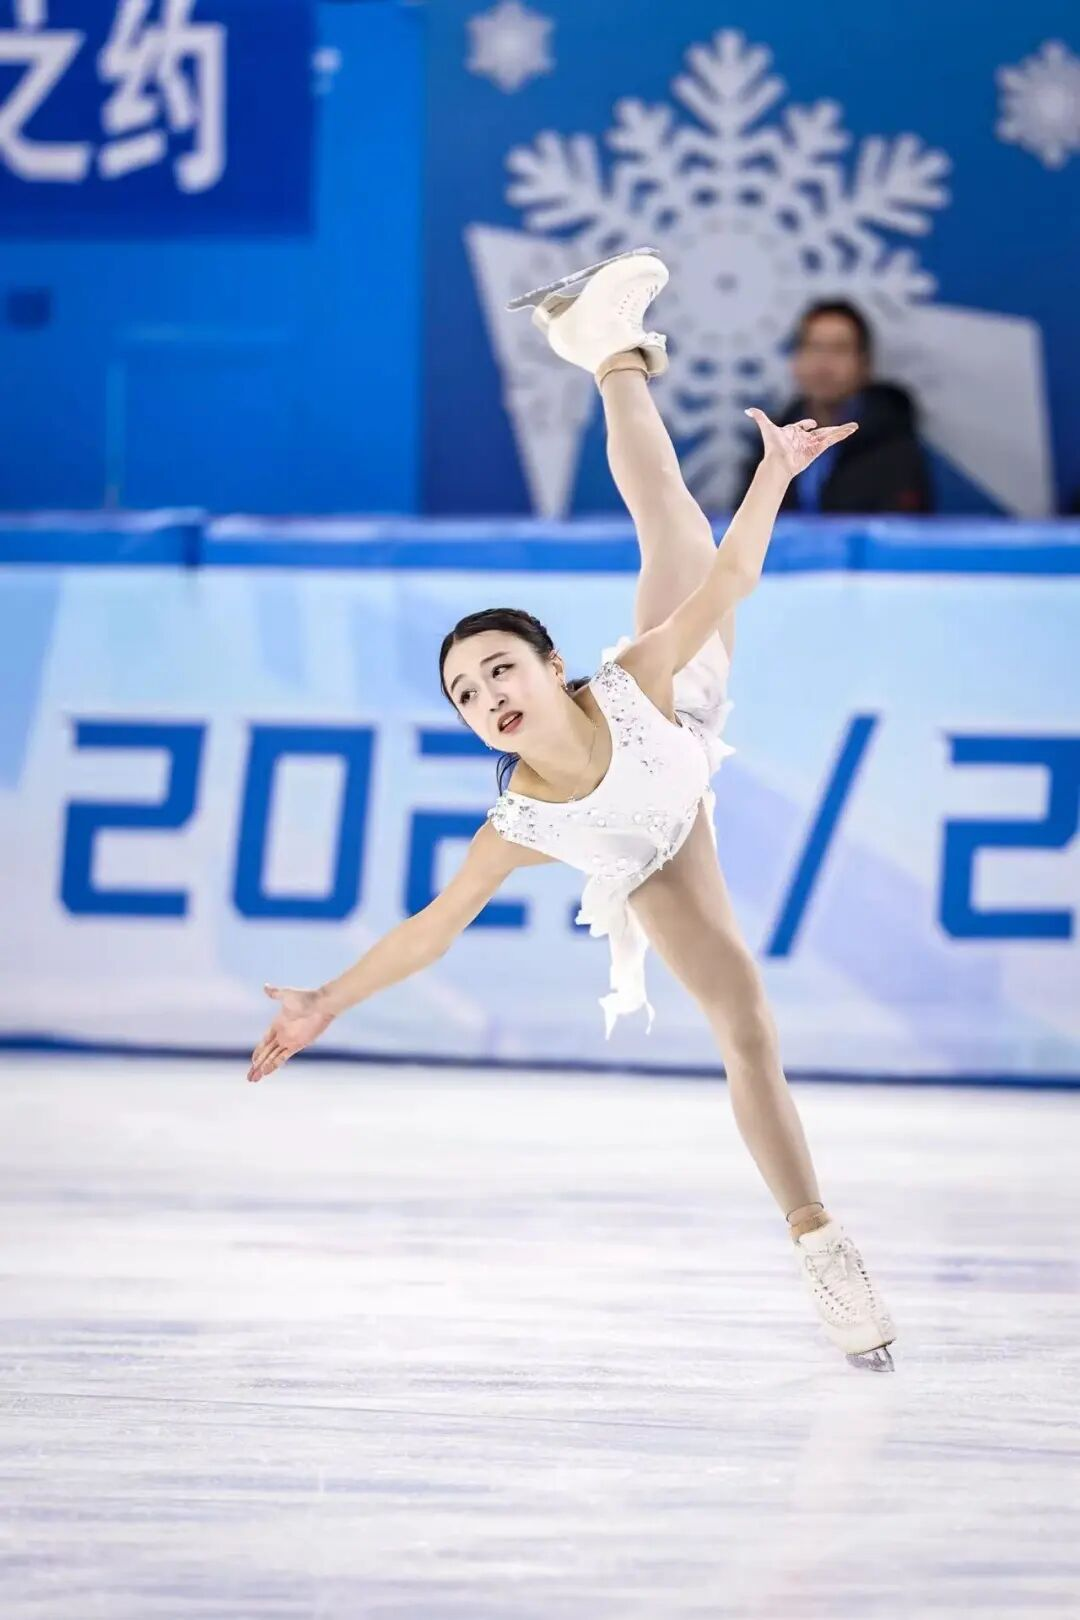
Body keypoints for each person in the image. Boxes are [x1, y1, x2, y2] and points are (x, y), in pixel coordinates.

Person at [247, 250, 897, 1372]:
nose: (487, 695)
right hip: (650, 845)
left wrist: (777, 473)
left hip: (676, 730)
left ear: (551, 667)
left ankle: (603, 351)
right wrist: (324, 1002)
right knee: (742, 1026)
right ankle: (601, 347)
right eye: (465, 693)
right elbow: (431, 931)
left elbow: (731, 585)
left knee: (674, 527)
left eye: (501, 669)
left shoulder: (632, 677)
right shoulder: (519, 826)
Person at [736, 298, 932, 514]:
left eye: (839, 349)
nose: (823, 364)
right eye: (814, 347)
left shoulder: (895, 448)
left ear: (864, 364)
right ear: (796, 360)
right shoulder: (774, 441)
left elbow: (902, 535)